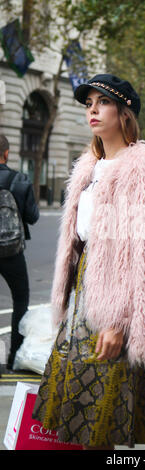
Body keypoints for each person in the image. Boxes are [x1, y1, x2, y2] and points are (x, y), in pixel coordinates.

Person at [32, 73, 145, 450]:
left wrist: (120, 321)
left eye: (103, 102)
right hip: (84, 293)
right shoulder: (89, 168)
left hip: (116, 299)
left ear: (124, 111)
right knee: (80, 412)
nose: (93, 110)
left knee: (102, 414)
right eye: (89, 104)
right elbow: (78, 242)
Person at [0, 134, 39, 370]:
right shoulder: (20, 180)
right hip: (12, 252)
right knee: (20, 299)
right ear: (7, 153)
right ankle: (14, 356)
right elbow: (33, 217)